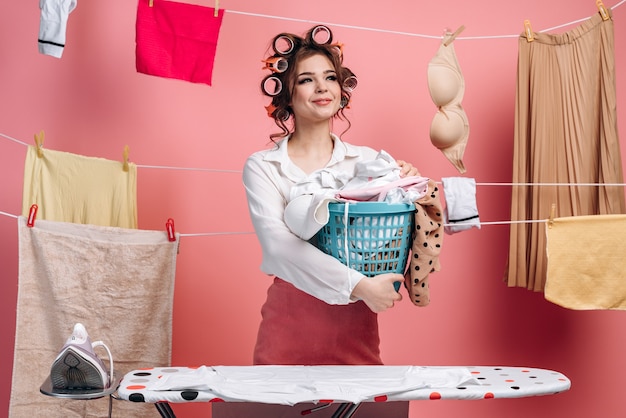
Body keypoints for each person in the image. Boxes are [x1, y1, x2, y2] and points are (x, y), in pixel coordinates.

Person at [243, 25, 419, 366]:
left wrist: (404, 186)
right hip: (289, 325)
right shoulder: (263, 167)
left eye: (330, 77)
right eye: (307, 79)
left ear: (342, 89)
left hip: (355, 326)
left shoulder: (369, 161)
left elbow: (393, 234)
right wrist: (361, 287)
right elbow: (279, 249)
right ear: (286, 94)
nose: (322, 87)